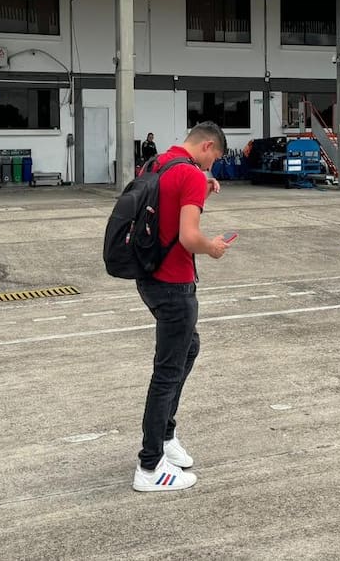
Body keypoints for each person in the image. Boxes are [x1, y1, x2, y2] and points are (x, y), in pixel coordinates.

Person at [132, 121, 230, 493]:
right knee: (168, 371)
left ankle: (167, 436)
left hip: (149, 277)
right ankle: (150, 464)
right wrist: (213, 247)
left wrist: (201, 183)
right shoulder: (189, 175)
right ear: (207, 146)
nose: (211, 169)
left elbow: (167, 200)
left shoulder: (157, 164)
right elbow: (189, 237)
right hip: (174, 284)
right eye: (214, 161)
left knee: (189, 347)